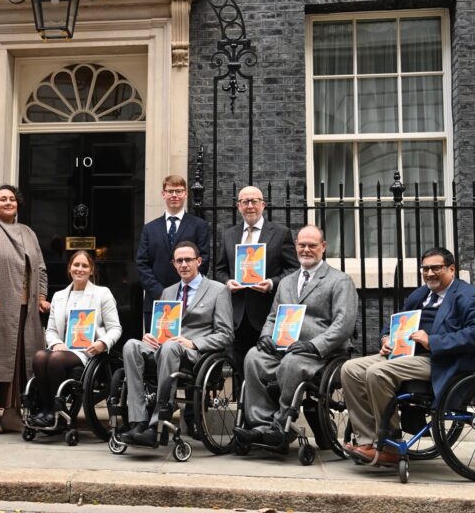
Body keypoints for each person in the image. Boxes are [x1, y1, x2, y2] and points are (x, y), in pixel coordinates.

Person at [340, 247, 475, 466]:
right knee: (350, 369)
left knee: (378, 372)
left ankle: (390, 445)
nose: (430, 273)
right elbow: (396, 322)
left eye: (436, 268)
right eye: (425, 269)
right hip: (405, 355)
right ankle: (367, 440)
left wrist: (433, 341)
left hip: (442, 360)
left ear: (452, 269)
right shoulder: (420, 295)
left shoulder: (472, 295)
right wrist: (386, 338)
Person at [235, 225, 357, 447]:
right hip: (285, 347)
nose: (306, 250)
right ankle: (260, 425)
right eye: (302, 245)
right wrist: (265, 336)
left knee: (292, 362)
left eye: (312, 245)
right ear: (296, 247)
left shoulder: (340, 281)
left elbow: (343, 325)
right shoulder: (287, 281)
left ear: (323, 247)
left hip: (321, 354)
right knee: (253, 356)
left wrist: (313, 346)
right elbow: (273, 316)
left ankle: (280, 425)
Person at [121, 241, 234, 447]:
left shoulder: (218, 291)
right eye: (179, 261)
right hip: (164, 349)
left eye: (188, 260)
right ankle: (137, 421)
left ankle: (158, 421)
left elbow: (226, 335)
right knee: (131, 345)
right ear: (173, 264)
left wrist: (192, 343)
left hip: (193, 356)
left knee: (171, 347)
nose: (183, 264)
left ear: (198, 261)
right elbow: (162, 328)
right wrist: (150, 336)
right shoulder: (168, 292)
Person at [0, 184, 50, 434]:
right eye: (2, 199)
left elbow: (41, 268)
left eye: (12, 199)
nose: (7, 203)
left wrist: (42, 297)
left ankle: (13, 411)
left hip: (26, 307)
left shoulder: (28, 232)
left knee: (19, 360)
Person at [29, 249, 122, 427]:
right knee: (40, 356)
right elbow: (51, 330)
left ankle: (56, 411)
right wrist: (56, 343)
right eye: (76, 265)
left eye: (85, 266)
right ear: (69, 268)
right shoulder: (59, 296)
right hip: (63, 348)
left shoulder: (103, 294)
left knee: (55, 359)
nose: (80, 269)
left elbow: (115, 328)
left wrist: (102, 343)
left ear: (92, 270)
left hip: (88, 351)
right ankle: (45, 409)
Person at [215, 186, 298, 375]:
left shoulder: (280, 232)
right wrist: (227, 282)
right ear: (238, 206)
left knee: (265, 366)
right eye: (245, 202)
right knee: (239, 367)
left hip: (266, 311)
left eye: (254, 201)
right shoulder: (229, 234)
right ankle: (243, 405)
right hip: (237, 313)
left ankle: (265, 404)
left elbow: (294, 269)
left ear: (263, 205)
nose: (250, 206)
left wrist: (271, 283)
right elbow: (219, 270)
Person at [136, 174, 209, 337]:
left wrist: (185, 290)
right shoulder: (149, 228)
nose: (174, 195)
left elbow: (203, 261)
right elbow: (142, 263)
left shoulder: (199, 226)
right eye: (170, 191)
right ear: (163, 194)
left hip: (188, 300)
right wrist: (160, 293)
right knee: (155, 350)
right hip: (156, 300)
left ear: (186, 194)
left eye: (178, 191)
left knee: (183, 350)